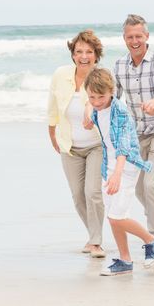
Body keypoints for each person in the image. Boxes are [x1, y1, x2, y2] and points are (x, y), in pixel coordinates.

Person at [84, 68, 154, 276]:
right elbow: (94, 117)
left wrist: (117, 174)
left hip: (125, 166)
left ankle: (151, 241)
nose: (97, 101)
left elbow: (123, 147)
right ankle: (125, 260)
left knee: (117, 216)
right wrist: (88, 113)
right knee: (113, 216)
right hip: (108, 165)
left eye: (101, 97)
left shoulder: (120, 110)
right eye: (92, 96)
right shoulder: (96, 108)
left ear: (112, 91)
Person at [113, 14, 154, 240]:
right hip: (135, 138)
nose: (134, 40)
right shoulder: (119, 65)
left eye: (138, 35)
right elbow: (112, 98)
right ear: (124, 38)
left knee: (151, 184)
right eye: (130, 37)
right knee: (139, 188)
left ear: (147, 36)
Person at [47, 30, 105, 258]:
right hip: (69, 145)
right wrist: (52, 132)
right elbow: (52, 105)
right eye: (79, 51)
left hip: (97, 145)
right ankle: (93, 235)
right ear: (72, 54)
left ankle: (96, 241)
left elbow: (108, 103)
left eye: (89, 52)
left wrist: (93, 111)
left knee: (92, 192)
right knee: (77, 195)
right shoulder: (61, 75)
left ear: (96, 55)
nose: (83, 56)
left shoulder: (101, 76)